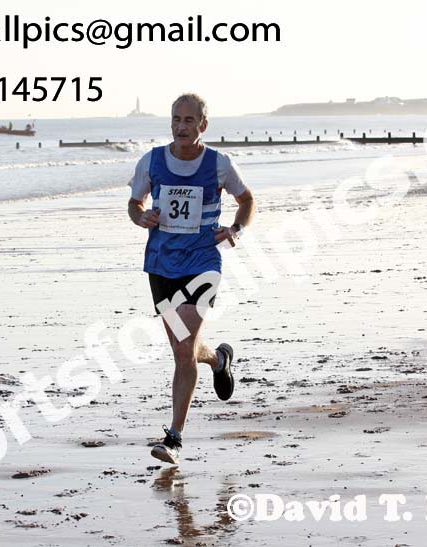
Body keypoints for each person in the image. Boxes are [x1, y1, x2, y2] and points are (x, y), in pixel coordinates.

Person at [127, 93, 255, 464]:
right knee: (185, 349)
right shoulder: (151, 161)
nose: (181, 127)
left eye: (189, 120)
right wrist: (142, 217)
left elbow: (247, 201)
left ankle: (174, 437)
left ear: (203, 125)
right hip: (161, 264)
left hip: (202, 263)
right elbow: (134, 206)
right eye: (175, 119)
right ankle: (217, 359)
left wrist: (236, 229)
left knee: (183, 351)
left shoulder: (219, 163)